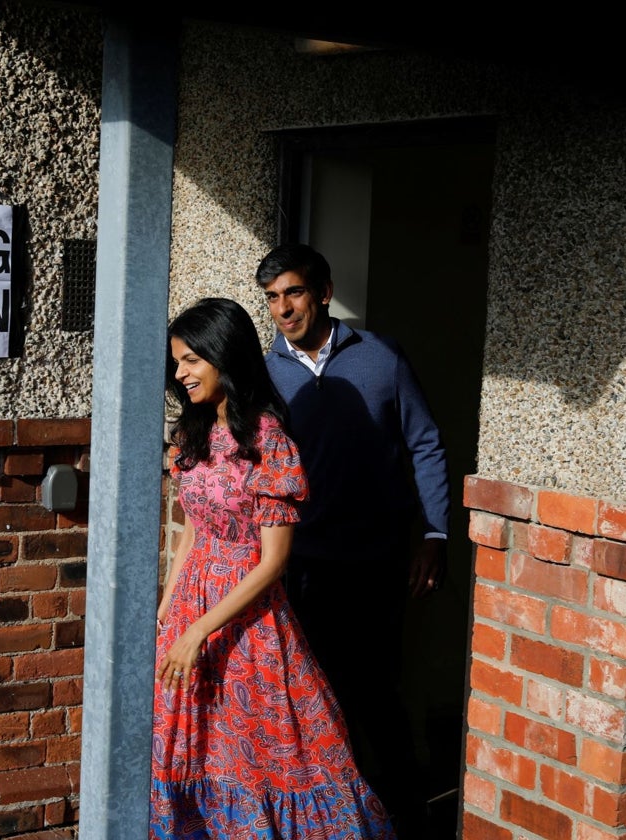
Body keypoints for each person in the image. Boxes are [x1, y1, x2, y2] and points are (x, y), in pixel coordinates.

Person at [151, 297, 394, 840]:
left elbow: (274, 562)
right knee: (193, 745)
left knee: (268, 755)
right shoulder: (192, 435)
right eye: (177, 362)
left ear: (224, 356)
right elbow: (192, 530)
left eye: (192, 360)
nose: (181, 373)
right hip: (192, 602)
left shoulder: (268, 442)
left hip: (247, 620)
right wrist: (169, 612)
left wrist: (199, 630)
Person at [255, 243, 451, 837]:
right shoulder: (266, 374)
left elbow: (425, 444)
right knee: (314, 694)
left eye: (292, 292)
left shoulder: (381, 357)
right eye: (271, 298)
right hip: (301, 564)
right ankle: (337, 819)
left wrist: (434, 534)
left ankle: (406, 818)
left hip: (376, 560)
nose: (283, 309)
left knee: (377, 693)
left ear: (323, 291)